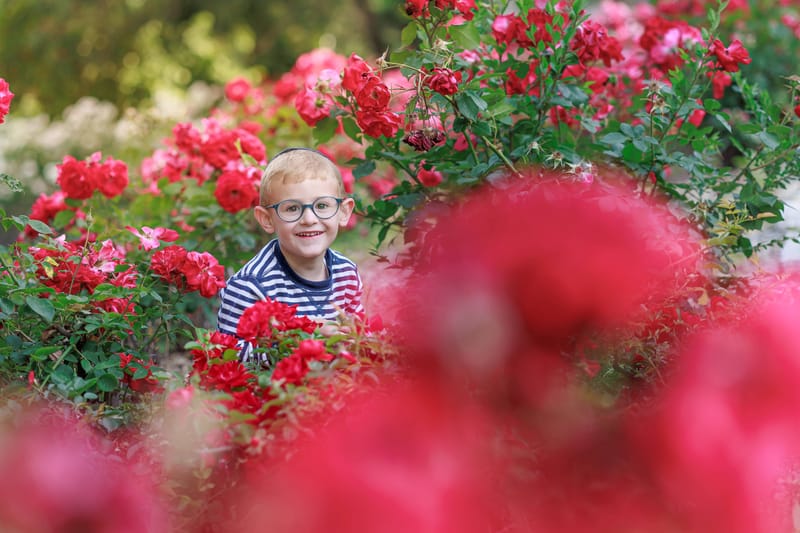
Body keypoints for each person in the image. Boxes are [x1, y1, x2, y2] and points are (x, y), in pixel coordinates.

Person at [216, 147, 364, 360]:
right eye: (292, 208)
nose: (309, 219)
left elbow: (359, 333)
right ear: (267, 219)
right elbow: (225, 356)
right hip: (274, 380)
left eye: (322, 205)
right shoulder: (250, 286)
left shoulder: (346, 273)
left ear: (343, 212)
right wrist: (298, 343)